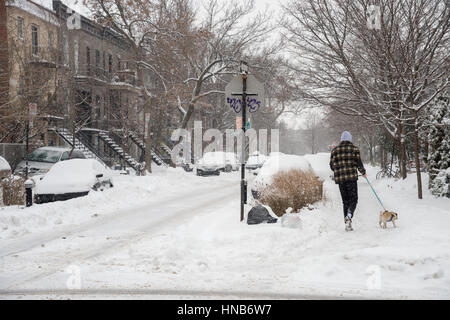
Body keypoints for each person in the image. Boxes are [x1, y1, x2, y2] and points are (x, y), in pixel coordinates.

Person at [330, 131, 366, 231]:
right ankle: (349, 215)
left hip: (341, 180)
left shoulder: (335, 151)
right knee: (353, 199)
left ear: (341, 139)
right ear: (350, 139)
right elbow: (359, 163)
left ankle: (347, 224)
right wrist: (363, 172)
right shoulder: (354, 149)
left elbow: (332, 166)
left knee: (345, 201)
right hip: (351, 179)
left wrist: (339, 170)